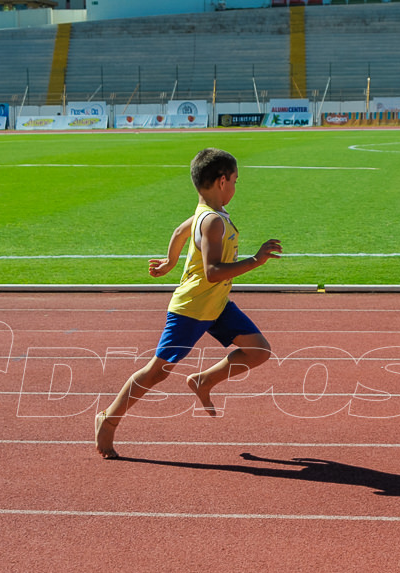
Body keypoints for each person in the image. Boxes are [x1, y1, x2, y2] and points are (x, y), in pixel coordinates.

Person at [94, 147, 282, 459]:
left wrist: (170, 261)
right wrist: (256, 260)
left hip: (216, 304)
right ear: (222, 181)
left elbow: (180, 231)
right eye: (235, 180)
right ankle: (108, 420)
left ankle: (203, 381)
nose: (236, 186)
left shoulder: (207, 215)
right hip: (193, 307)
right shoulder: (212, 222)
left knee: (258, 350)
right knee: (157, 371)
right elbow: (211, 272)